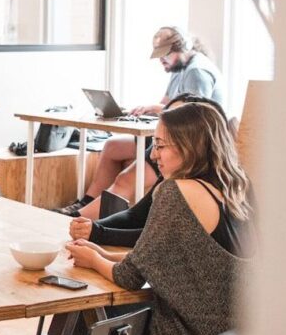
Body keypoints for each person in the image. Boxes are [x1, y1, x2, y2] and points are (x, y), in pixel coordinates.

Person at [66, 102, 253, 335]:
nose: (154, 155)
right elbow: (160, 257)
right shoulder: (234, 189)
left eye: (160, 145)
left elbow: (129, 277)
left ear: (189, 146)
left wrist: (93, 259)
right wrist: (101, 254)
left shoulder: (176, 191)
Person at [58, 26, 225, 218]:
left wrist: (157, 109)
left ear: (183, 48)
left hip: (187, 144)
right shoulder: (180, 69)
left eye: (165, 55)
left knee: (125, 179)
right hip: (173, 137)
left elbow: (195, 118)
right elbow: (167, 103)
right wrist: (145, 109)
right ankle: (87, 202)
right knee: (113, 146)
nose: (161, 60)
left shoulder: (197, 72)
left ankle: (81, 219)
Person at [68, 94, 233, 247]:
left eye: (161, 144)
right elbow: (136, 216)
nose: (153, 155)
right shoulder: (183, 174)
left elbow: (154, 244)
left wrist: (97, 233)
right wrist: (91, 227)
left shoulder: (190, 189)